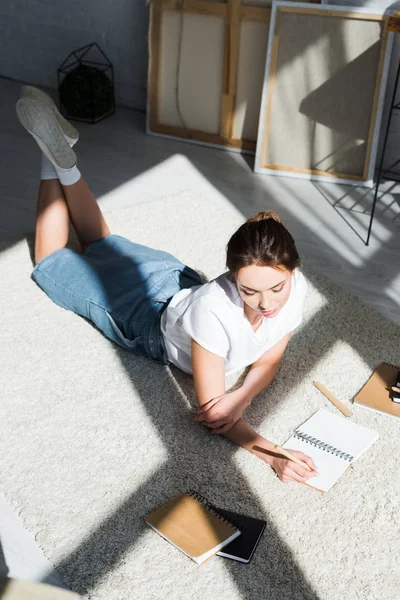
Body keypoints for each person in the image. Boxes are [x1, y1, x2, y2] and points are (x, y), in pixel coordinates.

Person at [16, 87, 317, 484]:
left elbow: (268, 359)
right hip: (146, 315)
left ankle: (65, 160)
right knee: (51, 260)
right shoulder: (214, 311)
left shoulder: (297, 288)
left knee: (100, 244)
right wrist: (274, 456)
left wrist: (241, 396)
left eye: (276, 289)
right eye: (248, 291)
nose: (266, 304)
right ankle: (49, 153)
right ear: (230, 276)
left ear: (292, 271)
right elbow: (214, 411)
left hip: (176, 280)